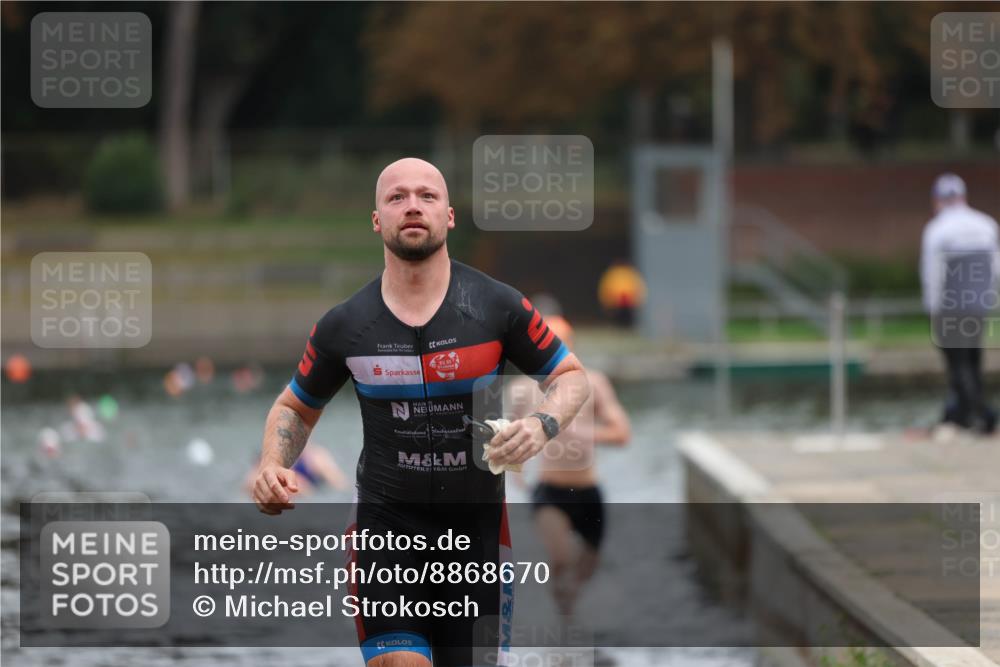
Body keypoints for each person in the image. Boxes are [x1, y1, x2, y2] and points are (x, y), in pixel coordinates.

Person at [251, 158, 591, 667]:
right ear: (377, 220)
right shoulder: (346, 326)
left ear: (449, 216)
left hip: (475, 538)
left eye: (427, 196)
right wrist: (272, 464)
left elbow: (570, 377)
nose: (413, 205)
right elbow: (295, 408)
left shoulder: (498, 306)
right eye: (397, 197)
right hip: (385, 532)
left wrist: (540, 426)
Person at [506, 315, 630, 624]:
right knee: (561, 557)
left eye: (560, 343)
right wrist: (514, 469)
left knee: (589, 563)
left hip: (588, 489)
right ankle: (564, 617)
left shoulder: (594, 383)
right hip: (549, 489)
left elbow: (622, 433)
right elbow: (506, 433)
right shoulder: (523, 389)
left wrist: (586, 433)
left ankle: (569, 605)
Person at [920, 173, 999, 435]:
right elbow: (995, 268)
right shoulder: (986, 224)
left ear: (938, 200)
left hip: (951, 307)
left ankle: (974, 414)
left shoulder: (937, 229)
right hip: (978, 304)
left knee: (958, 363)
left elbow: (932, 272)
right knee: (973, 358)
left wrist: (932, 307)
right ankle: (970, 412)